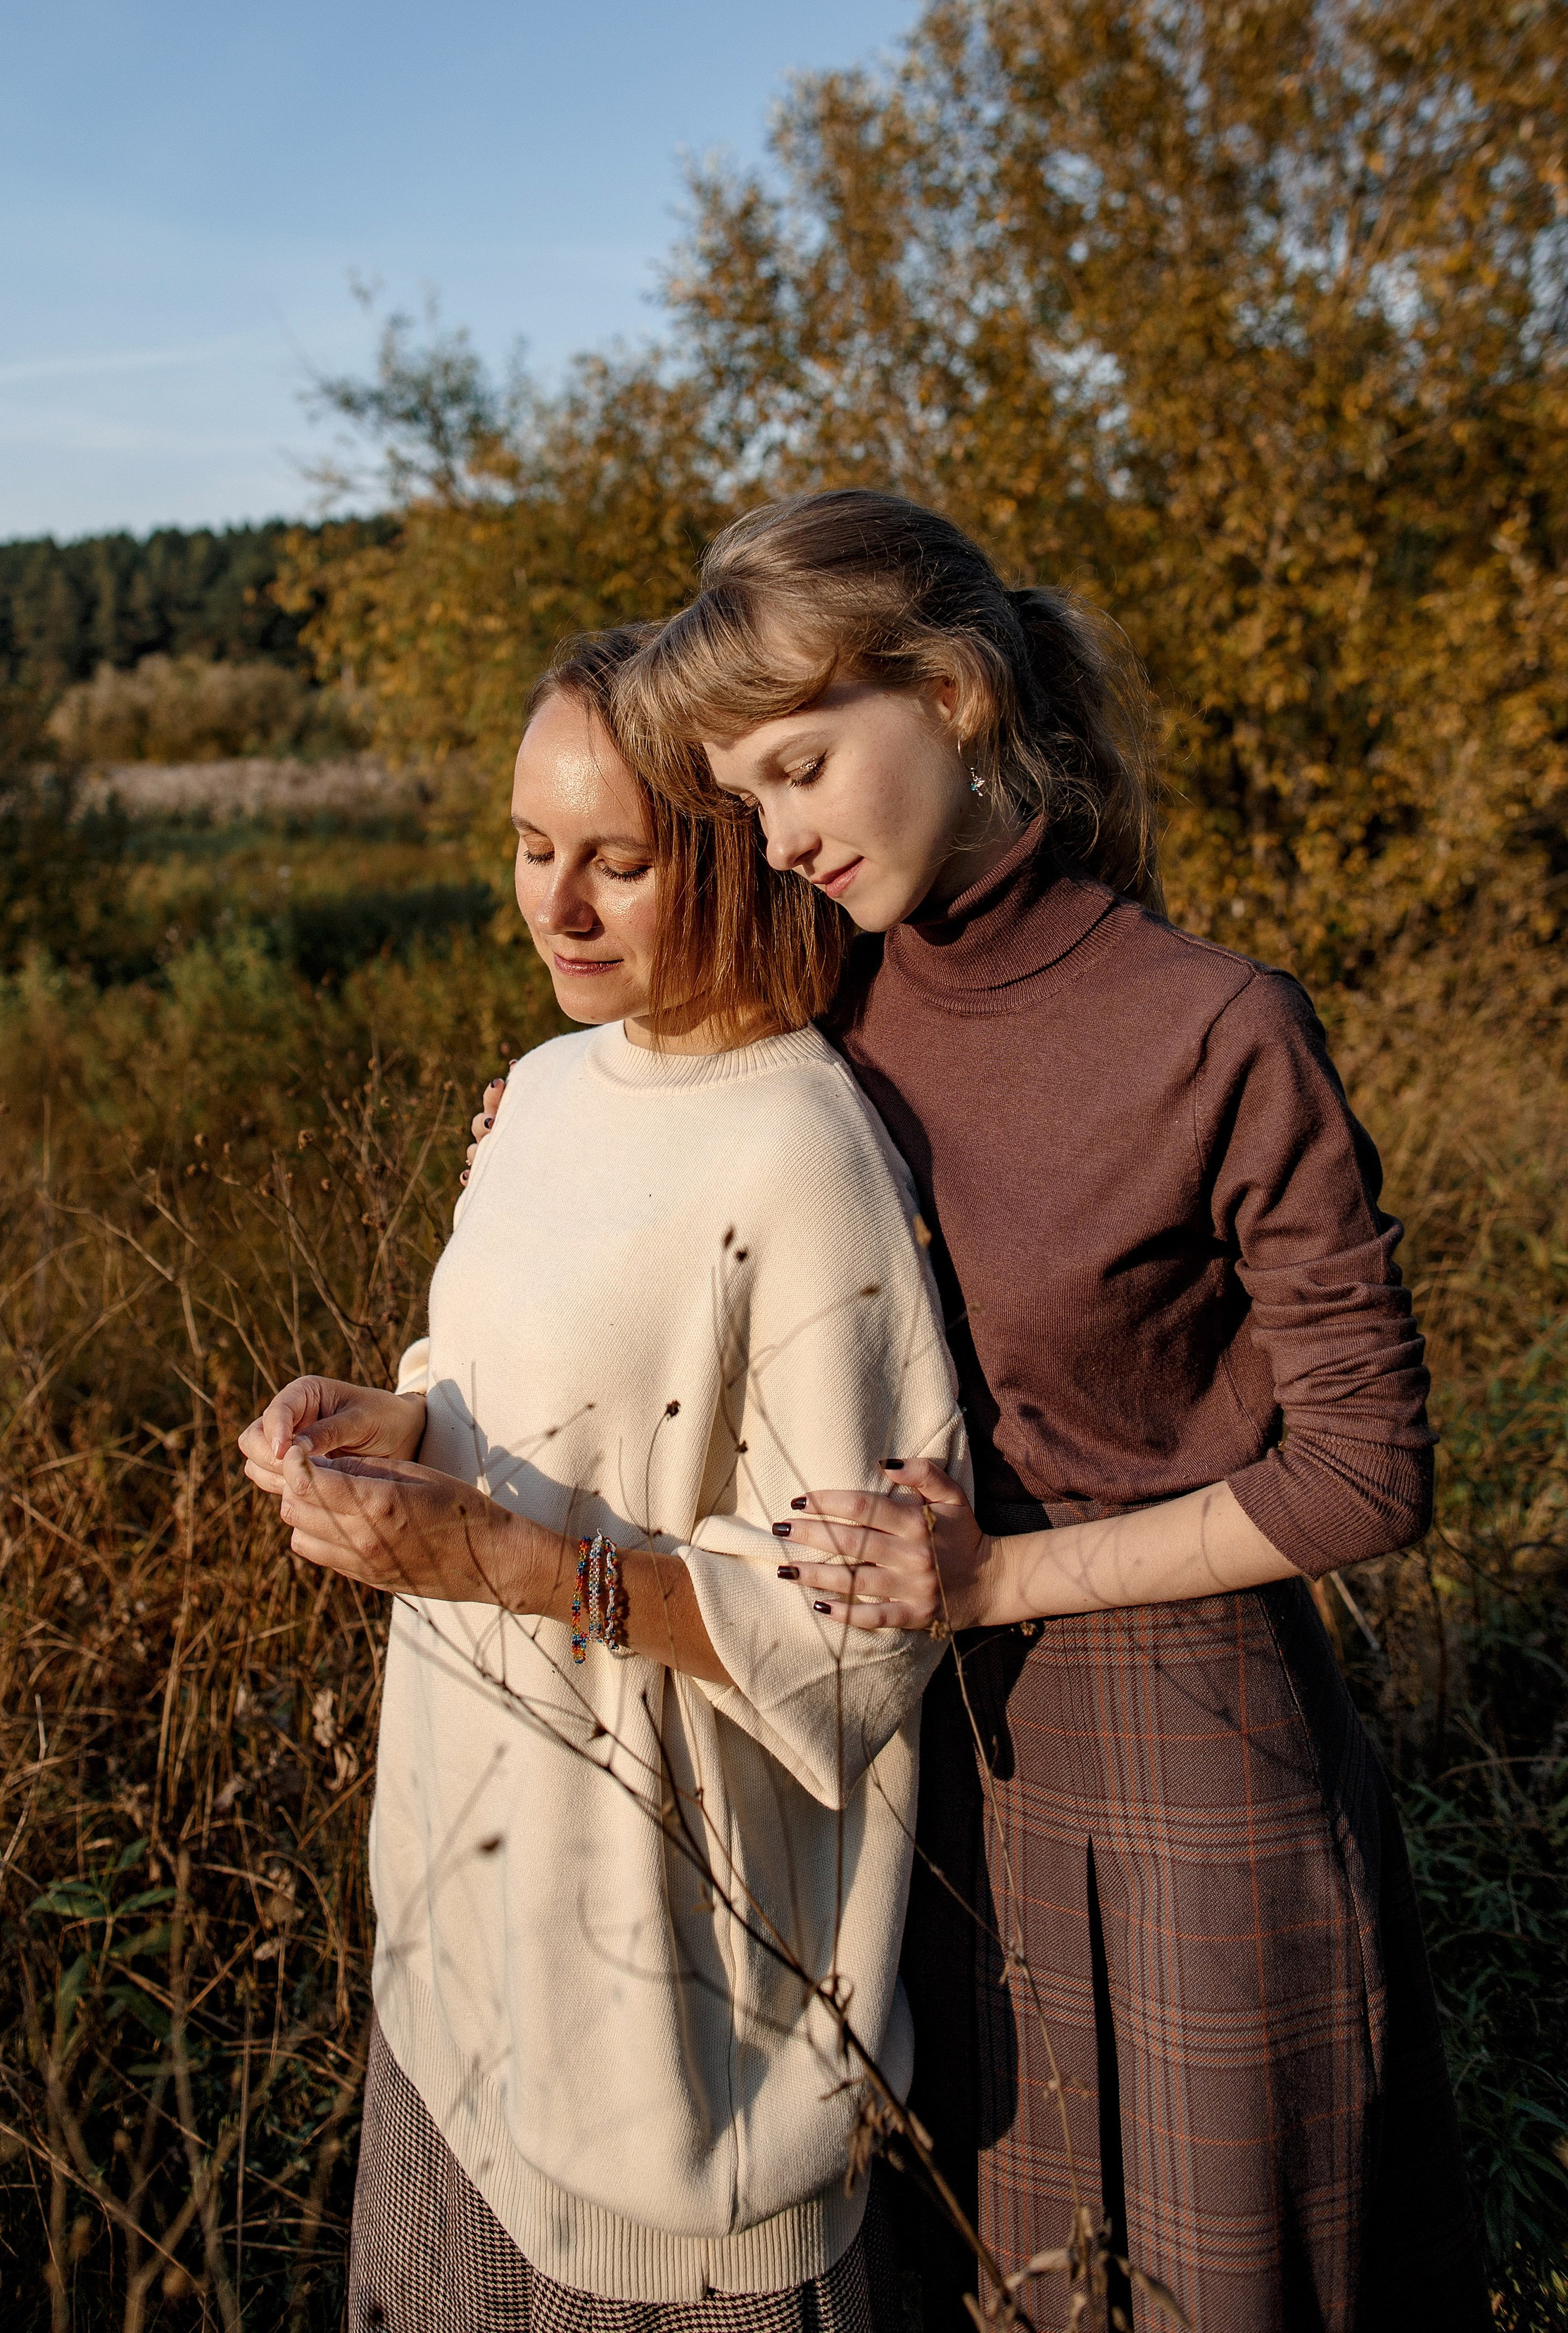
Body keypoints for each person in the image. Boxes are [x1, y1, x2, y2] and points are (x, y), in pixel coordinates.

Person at [595, 491, 1488, 2333]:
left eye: (802, 769)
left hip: (1186, 1780)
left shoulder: (1215, 1030)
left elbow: (1366, 1470)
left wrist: (990, 1581)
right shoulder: (818, 1018)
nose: (776, 839)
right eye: (746, 799)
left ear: (954, 691)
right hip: (903, 1796)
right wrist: (553, 1151)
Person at [239, 626, 965, 2333]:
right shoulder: (554, 1089)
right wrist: (381, 1428)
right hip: (462, 1954)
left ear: (720, 852)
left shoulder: (801, 1152)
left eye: (615, 865)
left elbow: (858, 1629)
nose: (553, 908)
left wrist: (495, 1556)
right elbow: (485, 1392)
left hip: (673, 2056)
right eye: (526, 847)